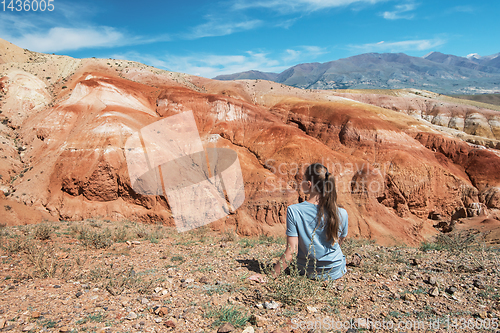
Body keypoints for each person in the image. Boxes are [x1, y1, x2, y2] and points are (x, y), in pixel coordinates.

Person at [250, 163, 348, 282]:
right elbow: (339, 241)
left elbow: (291, 251)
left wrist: (269, 276)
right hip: (335, 270)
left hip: (307, 270)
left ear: (309, 184)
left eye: (303, 180)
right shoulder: (341, 212)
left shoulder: (294, 210)